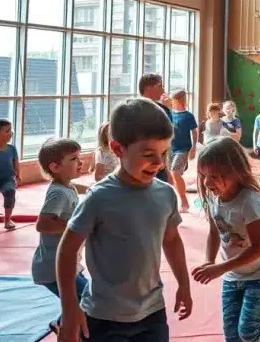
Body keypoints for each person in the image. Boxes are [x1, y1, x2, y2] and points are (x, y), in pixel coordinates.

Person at [55, 98, 192, 342]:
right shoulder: (99, 197)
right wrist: (69, 309)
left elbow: (171, 240)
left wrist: (184, 283)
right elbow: (67, 250)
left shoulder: (165, 193)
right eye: (149, 154)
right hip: (103, 317)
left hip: (152, 313)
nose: (159, 163)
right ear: (118, 149)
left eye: (163, 153)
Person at [192, 137, 260, 342]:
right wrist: (209, 261)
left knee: (248, 332)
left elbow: (259, 248)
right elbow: (215, 232)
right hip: (232, 275)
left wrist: (221, 268)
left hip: (259, 273)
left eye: (214, 177)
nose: (206, 183)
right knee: (232, 337)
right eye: (203, 176)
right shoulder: (214, 199)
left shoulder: (248, 201)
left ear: (235, 172)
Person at [32, 138, 88, 334]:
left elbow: (77, 189)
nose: (80, 162)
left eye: (79, 157)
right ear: (55, 167)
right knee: (87, 297)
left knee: (82, 298)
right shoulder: (58, 194)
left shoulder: (67, 187)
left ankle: (61, 323)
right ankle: (64, 327)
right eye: (74, 159)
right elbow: (43, 224)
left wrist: (93, 190)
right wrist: (76, 226)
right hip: (53, 266)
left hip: (68, 263)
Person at [138, 73, 174, 184]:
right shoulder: (161, 110)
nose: (163, 90)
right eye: (159, 86)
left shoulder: (133, 107)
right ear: (148, 87)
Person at [169, 90, 199, 212]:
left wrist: (194, 147)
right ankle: (174, 202)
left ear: (180, 100)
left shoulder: (188, 116)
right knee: (172, 176)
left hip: (183, 149)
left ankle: (184, 202)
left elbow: (194, 132)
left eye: (173, 100)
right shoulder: (170, 114)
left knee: (175, 172)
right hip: (171, 148)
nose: (171, 103)